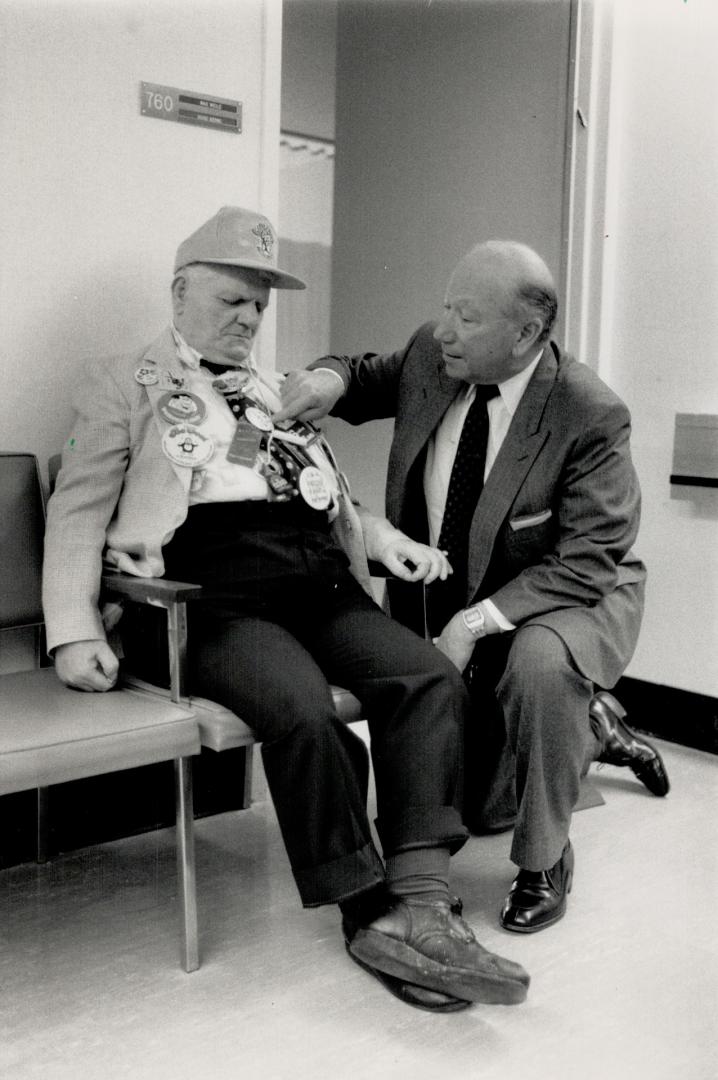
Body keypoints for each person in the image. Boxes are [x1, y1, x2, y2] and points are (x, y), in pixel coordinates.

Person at [42, 208, 531, 1013]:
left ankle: (422, 896)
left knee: (428, 676)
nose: (249, 318)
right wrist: (72, 629)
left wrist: (382, 539)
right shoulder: (123, 382)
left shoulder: (274, 392)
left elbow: (313, 498)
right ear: (179, 292)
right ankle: (368, 911)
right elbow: (77, 509)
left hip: (318, 583)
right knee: (304, 711)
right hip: (214, 598)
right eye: (232, 299)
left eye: (259, 306)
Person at [277, 239, 670, 936]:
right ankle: (596, 726)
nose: (446, 329)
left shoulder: (588, 412)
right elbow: (361, 375)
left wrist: (471, 624)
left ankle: (546, 861)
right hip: (462, 583)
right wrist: (328, 382)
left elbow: (588, 559)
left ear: (526, 335)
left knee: (541, 670)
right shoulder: (435, 354)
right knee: (481, 804)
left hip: (566, 594)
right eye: (446, 309)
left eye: (469, 317)